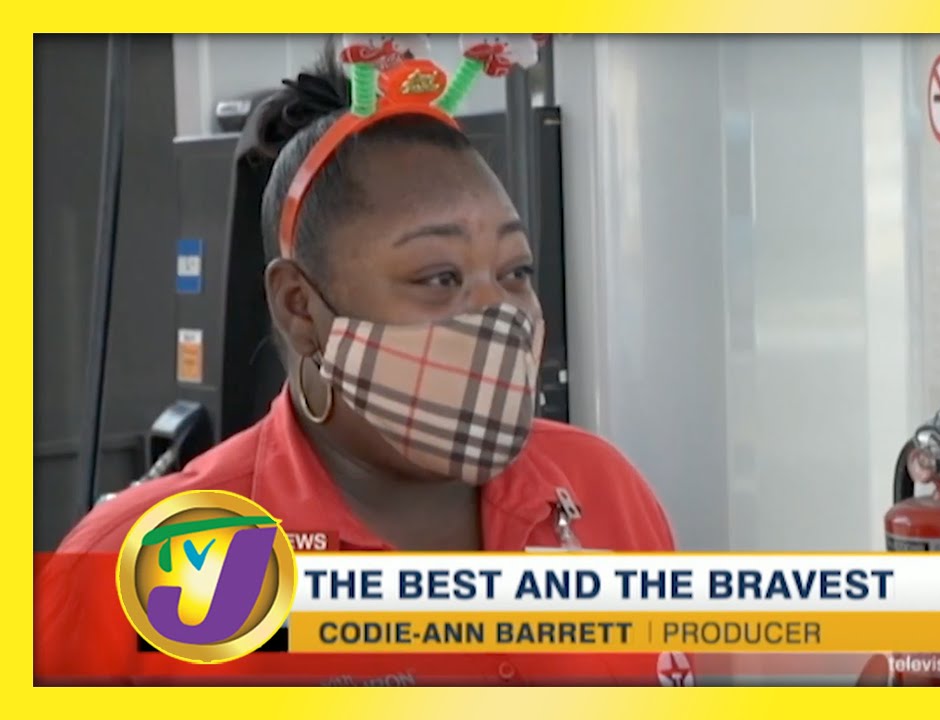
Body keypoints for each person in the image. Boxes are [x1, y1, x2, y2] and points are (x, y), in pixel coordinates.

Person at [35, 49, 688, 687]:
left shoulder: (602, 489)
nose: (501, 314)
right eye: (439, 277)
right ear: (301, 308)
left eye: (516, 271)